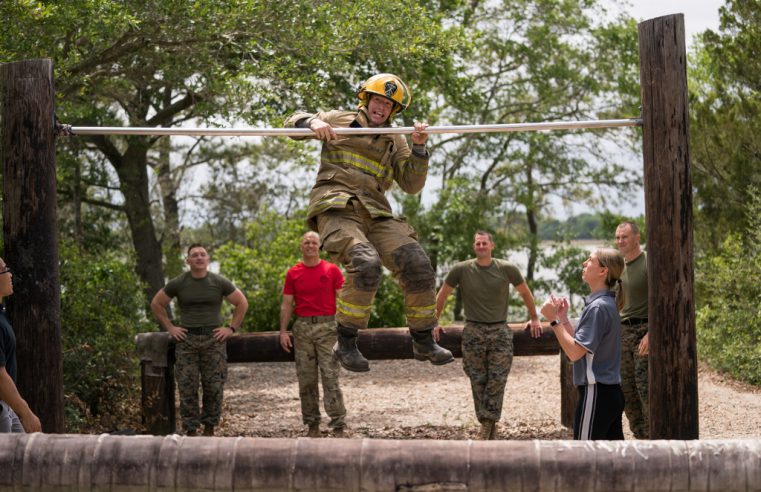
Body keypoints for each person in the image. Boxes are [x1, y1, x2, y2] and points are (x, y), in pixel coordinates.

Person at [284, 73, 453, 373]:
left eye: (388, 105)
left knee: (416, 262)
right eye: (377, 100)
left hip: (375, 211)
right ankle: (346, 342)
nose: (381, 108)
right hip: (337, 207)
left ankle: (423, 338)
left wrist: (419, 148)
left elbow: (412, 185)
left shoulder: (395, 137)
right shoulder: (340, 119)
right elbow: (290, 122)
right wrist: (312, 123)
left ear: (393, 111)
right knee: (365, 262)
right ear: (366, 99)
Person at [434, 231, 543, 440]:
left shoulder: (506, 268)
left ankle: (486, 424)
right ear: (474, 246)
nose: (481, 246)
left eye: (485, 243)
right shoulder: (461, 269)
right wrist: (434, 322)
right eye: (478, 243)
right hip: (473, 331)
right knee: (477, 379)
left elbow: (525, 292)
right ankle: (489, 425)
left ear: (492, 246)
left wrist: (535, 318)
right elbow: (443, 295)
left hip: (500, 331)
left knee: (498, 378)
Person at [150, 244, 248, 436]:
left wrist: (231, 328)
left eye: (203, 254)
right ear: (188, 261)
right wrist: (170, 327)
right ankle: (191, 430)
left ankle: (210, 428)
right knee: (187, 386)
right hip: (187, 341)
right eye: (194, 255)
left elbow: (241, 302)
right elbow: (156, 303)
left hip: (214, 340)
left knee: (214, 386)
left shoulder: (218, 282)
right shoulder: (179, 283)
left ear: (208, 259)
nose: (199, 257)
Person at [540, 248, 625, 440]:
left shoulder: (597, 307)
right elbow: (583, 346)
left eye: (590, 260)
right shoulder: (605, 303)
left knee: (583, 459)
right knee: (614, 463)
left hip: (596, 395)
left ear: (603, 271)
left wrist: (553, 321)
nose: (584, 263)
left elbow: (575, 353)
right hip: (609, 393)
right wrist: (562, 318)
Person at [280, 231, 347, 438]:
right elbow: (287, 304)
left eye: (314, 243)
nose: (310, 246)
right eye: (306, 243)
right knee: (306, 379)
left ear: (320, 247)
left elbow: (343, 299)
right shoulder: (293, 273)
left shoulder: (332, 270)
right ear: (301, 247)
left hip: (328, 327)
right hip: (302, 329)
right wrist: (283, 331)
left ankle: (338, 424)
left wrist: (348, 327)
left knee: (330, 376)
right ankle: (312, 425)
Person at [615, 220, 650, 439]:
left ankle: (657, 433)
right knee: (626, 389)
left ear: (637, 238)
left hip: (644, 330)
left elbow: (663, 299)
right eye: (617, 237)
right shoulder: (618, 266)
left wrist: (652, 333)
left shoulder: (648, 261)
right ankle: (641, 436)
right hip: (623, 332)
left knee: (644, 386)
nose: (620, 241)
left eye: (624, 237)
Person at [0, 257, 42, 434]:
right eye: (4, 270)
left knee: (26, 453)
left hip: (7, 406)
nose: (10, 274)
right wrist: (26, 413)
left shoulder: (1, 316)